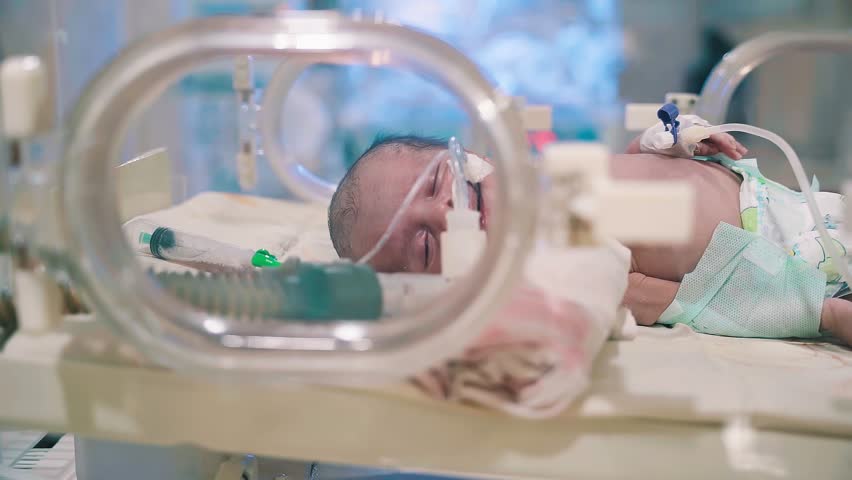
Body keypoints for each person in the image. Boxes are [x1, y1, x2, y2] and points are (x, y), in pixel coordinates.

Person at [327, 129, 852, 346]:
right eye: (425, 246)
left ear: (470, 155)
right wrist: (816, 312)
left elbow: (625, 170)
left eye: (439, 181)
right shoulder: (549, 260)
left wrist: (671, 138)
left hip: (791, 201)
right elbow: (681, 299)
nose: (446, 213)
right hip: (790, 265)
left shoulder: (547, 178)